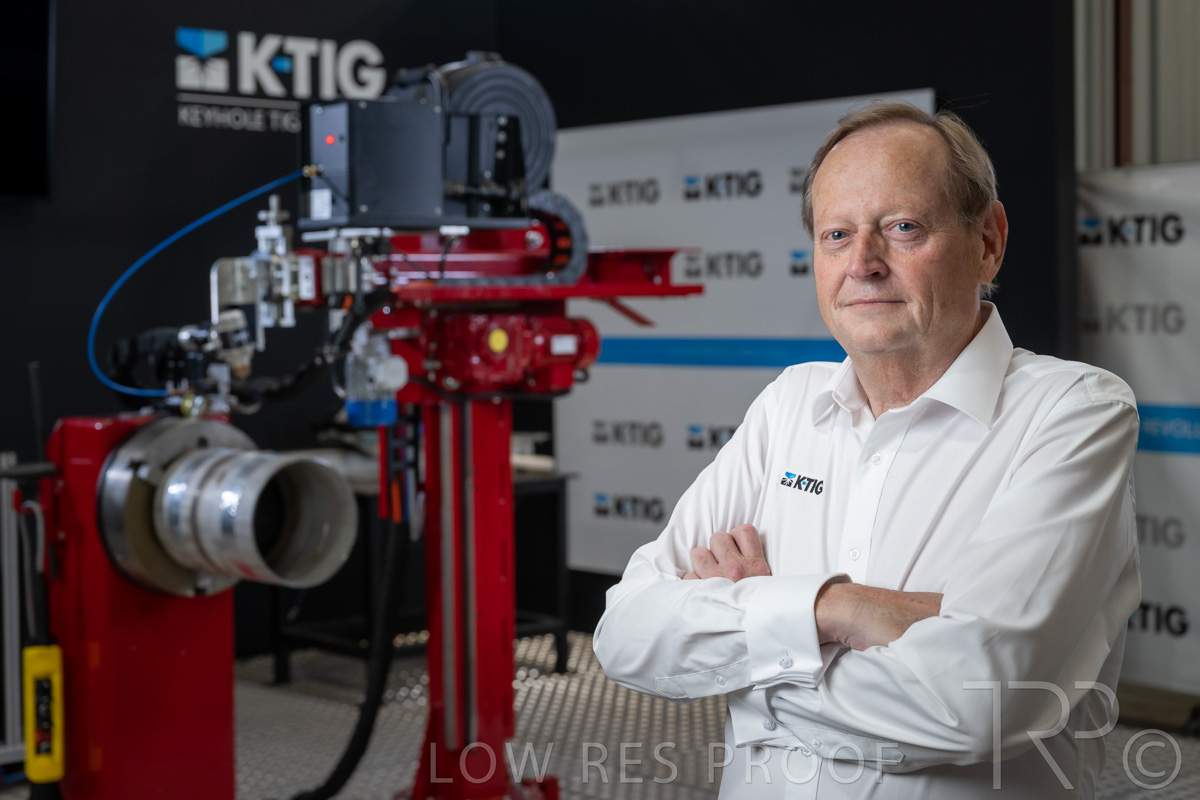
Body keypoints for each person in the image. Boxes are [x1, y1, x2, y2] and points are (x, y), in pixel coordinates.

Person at [592, 102, 1140, 798]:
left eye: (903, 227)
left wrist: (749, 646)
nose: (863, 264)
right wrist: (837, 608)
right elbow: (627, 632)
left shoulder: (1072, 413)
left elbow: (978, 701)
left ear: (988, 241)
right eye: (837, 235)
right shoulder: (789, 405)